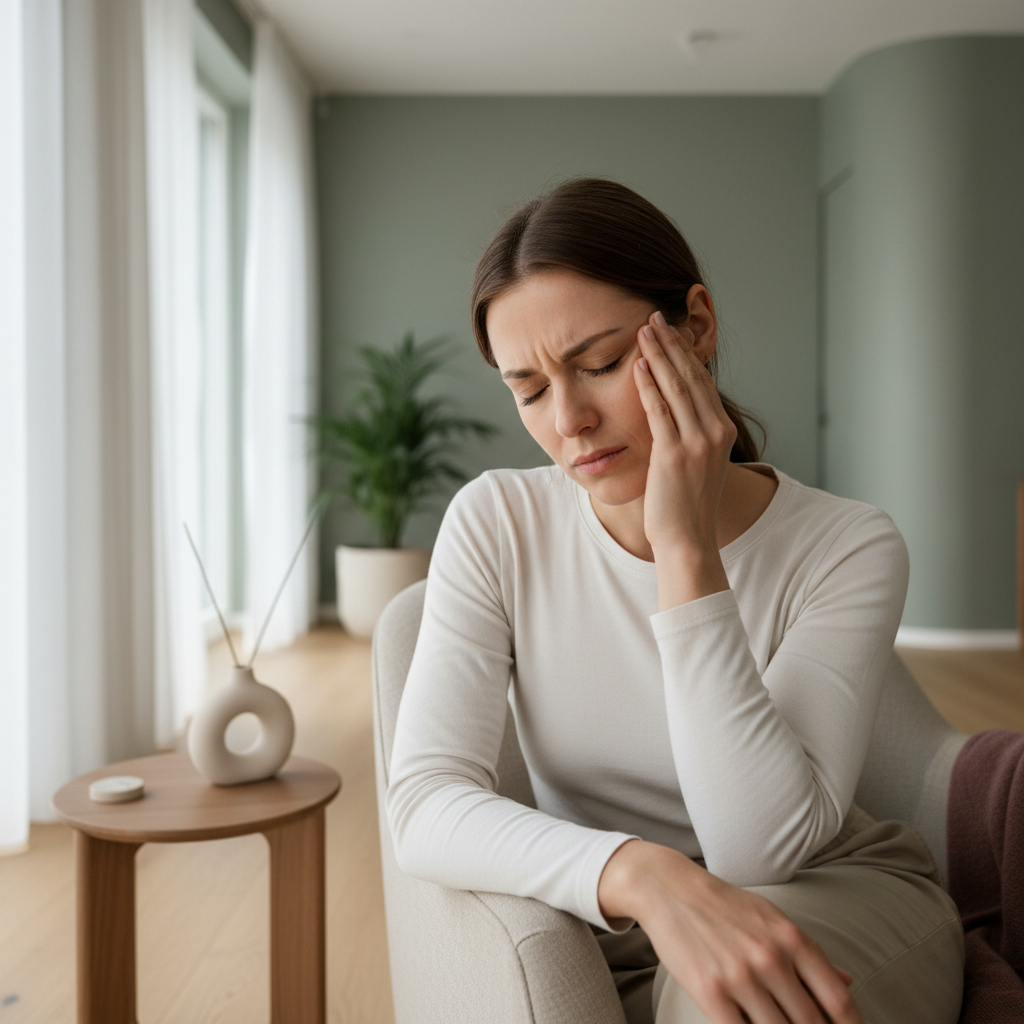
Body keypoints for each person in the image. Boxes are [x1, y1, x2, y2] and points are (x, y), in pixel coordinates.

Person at [386, 178, 965, 1024]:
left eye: (601, 363)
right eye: (530, 388)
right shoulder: (497, 520)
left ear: (696, 326)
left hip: (824, 888)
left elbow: (757, 848)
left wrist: (686, 552)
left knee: (715, 1002)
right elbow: (426, 802)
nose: (571, 421)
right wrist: (643, 874)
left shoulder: (848, 545)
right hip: (617, 904)